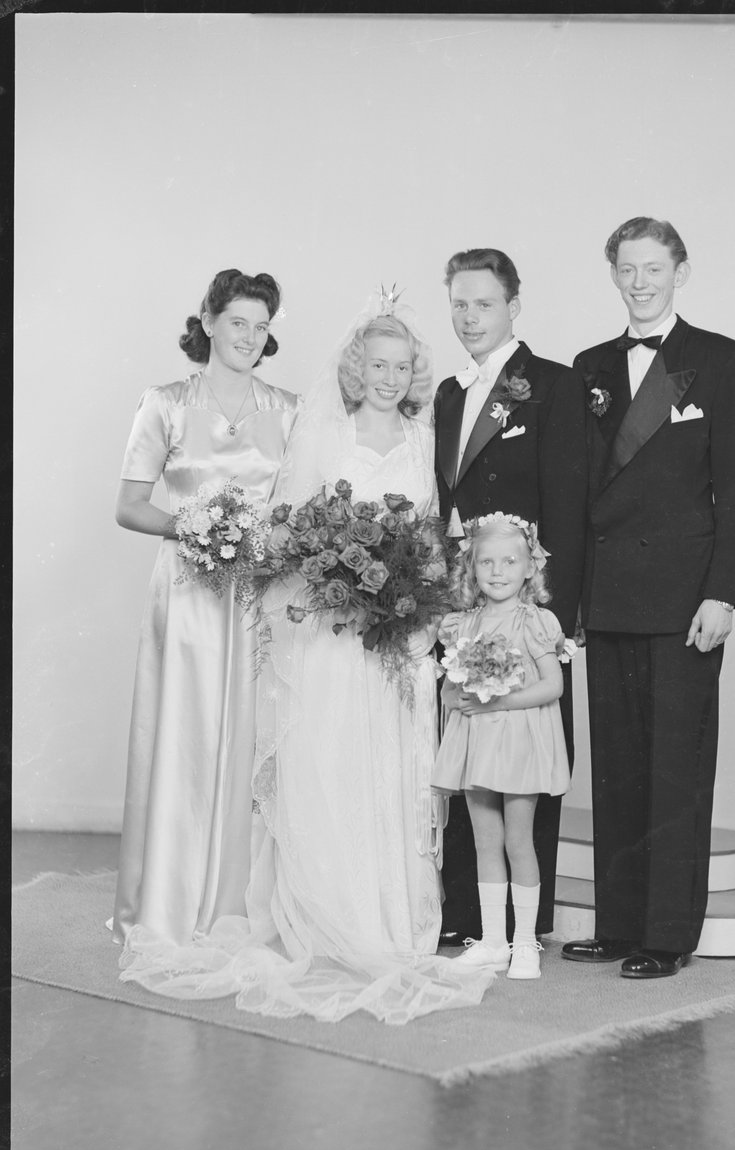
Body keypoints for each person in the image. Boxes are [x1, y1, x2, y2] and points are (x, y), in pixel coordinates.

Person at [117, 291, 494, 1023]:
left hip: (394, 637)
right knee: (327, 764)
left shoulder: (425, 440)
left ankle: (387, 920)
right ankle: (321, 914)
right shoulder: (323, 430)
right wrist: (339, 580)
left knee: (389, 767)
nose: (388, 378)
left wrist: (410, 595)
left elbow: (431, 535)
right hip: (329, 631)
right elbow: (295, 530)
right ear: (356, 368)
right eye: (376, 365)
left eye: (402, 367)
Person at [562, 217, 735, 978]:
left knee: (675, 768)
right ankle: (619, 926)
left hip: (684, 598)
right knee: (615, 769)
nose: (639, 283)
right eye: (627, 269)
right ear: (613, 274)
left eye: (653, 268)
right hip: (609, 592)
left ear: (680, 272)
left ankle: (667, 935)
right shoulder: (588, 366)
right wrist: (572, 601)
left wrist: (724, 593)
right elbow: (579, 491)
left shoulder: (722, 360)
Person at [111, 269, 298, 947]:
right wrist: (194, 529)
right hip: (189, 593)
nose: (249, 336)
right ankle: (168, 900)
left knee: (251, 738)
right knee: (185, 736)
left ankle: (238, 903)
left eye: (261, 326)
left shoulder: (289, 409)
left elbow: (299, 510)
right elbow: (129, 505)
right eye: (238, 322)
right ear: (210, 322)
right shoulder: (165, 403)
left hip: (257, 595)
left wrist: (263, 542)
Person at [433, 248, 587, 946]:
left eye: (484, 304)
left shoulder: (553, 384)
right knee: (470, 751)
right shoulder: (447, 392)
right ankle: (468, 921)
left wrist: (559, 616)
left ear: (513, 306)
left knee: (525, 760)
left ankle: (527, 927)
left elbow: (569, 506)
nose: (470, 317)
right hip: (468, 602)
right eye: (459, 304)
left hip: (528, 604)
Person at [432, 515, 571, 981]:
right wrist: (457, 698)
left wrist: (500, 701)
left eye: (510, 561)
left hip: (518, 745)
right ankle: (493, 942)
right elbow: (449, 689)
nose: (497, 571)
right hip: (477, 745)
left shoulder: (535, 621)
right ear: (471, 568)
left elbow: (553, 685)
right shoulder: (462, 624)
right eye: (486, 562)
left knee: (518, 841)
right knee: (485, 842)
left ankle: (525, 942)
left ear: (530, 567)